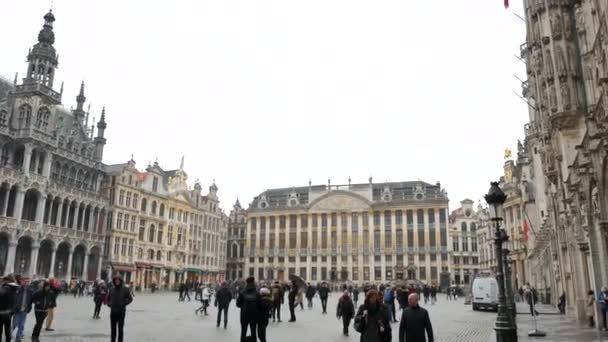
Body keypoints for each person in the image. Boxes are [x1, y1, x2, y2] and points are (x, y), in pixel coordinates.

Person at [107, 276, 133, 342]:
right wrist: (110, 304)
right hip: (113, 312)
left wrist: (124, 303)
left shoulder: (125, 289)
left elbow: (130, 299)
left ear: (121, 281)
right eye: (116, 280)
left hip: (121, 312)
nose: (117, 281)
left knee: (120, 329)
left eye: (118, 280)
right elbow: (108, 299)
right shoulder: (111, 289)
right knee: (113, 329)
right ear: (114, 281)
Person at [236, 277, 260, 342]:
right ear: (253, 282)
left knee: (243, 332)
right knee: (253, 332)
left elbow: (238, 305)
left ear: (247, 283)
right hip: (254, 315)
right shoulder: (257, 292)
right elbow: (259, 305)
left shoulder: (242, 292)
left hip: (244, 315)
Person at [12, 275, 33, 342]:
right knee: (16, 324)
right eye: (25, 281)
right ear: (21, 281)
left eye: (27, 281)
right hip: (17, 310)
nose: (26, 283)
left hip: (24, 310)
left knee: (22, 325)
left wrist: (29, 308)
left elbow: (30, 300)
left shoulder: (30, 290)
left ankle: (18, 339)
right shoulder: (17, 289)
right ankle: (11, 336)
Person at [0, 275, 18, 342]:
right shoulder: (15, 288)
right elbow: (15, 301)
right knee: (7, 329)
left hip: (1, 312)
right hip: (9, 312)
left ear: (6, 281)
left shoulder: (5, 288)